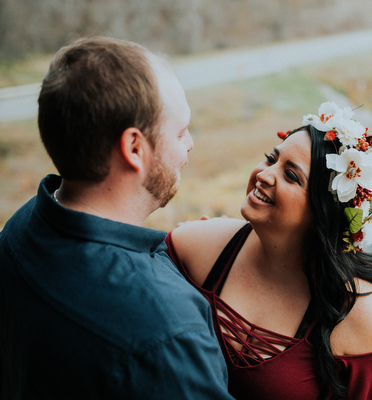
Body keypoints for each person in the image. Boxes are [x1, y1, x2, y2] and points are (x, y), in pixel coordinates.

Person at [0, 36, 233, 399]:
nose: (190, 144)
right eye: (181, 131)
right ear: (134, 148)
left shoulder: (21, 228)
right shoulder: (164, 331)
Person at [166, 101, 372, 399]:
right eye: (271, 159)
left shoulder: (362, 315)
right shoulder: (197, 246)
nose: (264, 174)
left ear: (322, 213)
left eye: (291, 176)